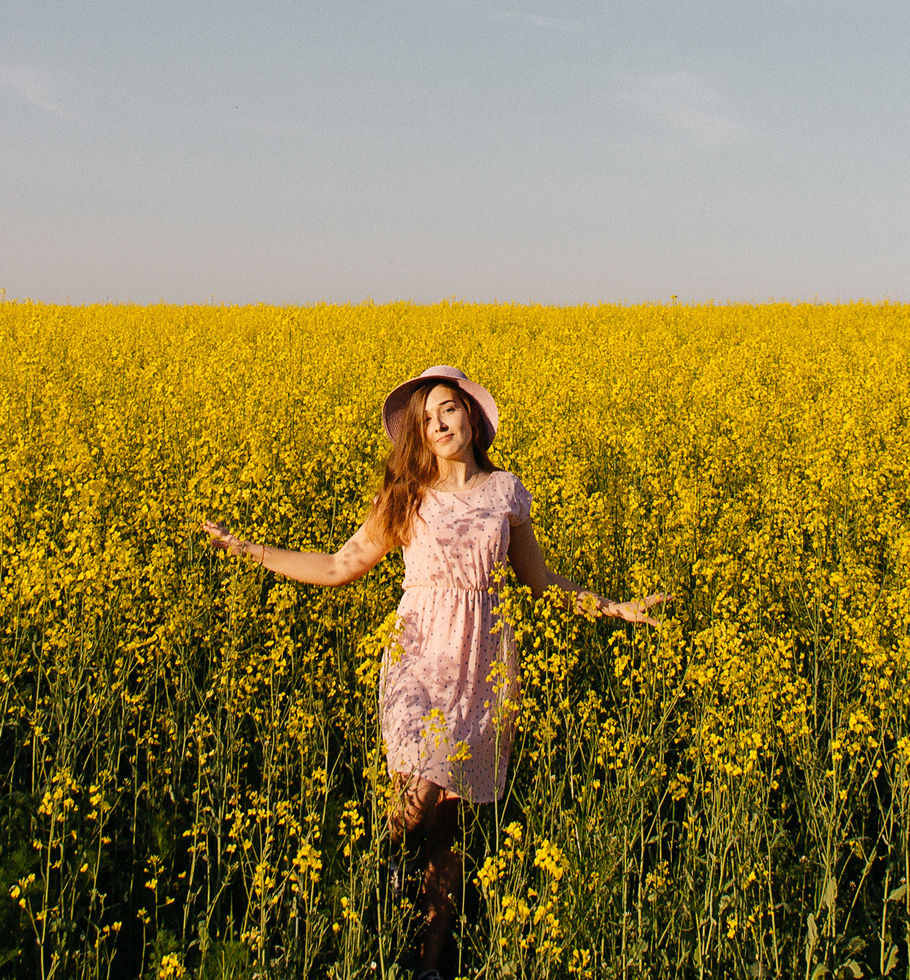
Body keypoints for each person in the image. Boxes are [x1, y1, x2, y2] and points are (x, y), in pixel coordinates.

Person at [201, 365, 669, 980]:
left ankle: (431, 958)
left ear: (471, 416)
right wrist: (251, 550)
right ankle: (374, 873)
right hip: (418, 657)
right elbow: (342, 565)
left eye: (447, 409)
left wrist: (619, 609)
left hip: (484, 665)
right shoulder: (406, 497)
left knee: (449, 824)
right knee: (416, 797)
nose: (439, 424)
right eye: (426, 419)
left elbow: (540, 579)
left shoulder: (506, 493)